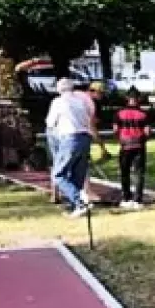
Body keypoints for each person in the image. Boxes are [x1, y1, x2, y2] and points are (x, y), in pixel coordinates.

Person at [45, 78, 94, 218]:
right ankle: (76, 207)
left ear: (59, 89)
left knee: (58, 174)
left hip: (70, 138)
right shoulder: (81, 102)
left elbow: (50, 122)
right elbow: (89, 117)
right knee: (77, 175)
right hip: (85, 137)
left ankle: (80, 202)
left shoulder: (58, 102)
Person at [113, 89, 151, 210]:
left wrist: (120, 139)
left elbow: (115, 129)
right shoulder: (143, 114)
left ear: (127, 98)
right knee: (139, 173)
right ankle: (138, 200)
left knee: (125, 173)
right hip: (139, 146)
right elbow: (147, 131)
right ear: (138, 99)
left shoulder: (119, 113)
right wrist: (143, 140)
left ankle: (126, 198)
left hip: (125, 146)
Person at [75, 81, 109, 203]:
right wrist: (102, 147)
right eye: (101, 93)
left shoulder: (77, 95)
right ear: (94, 91)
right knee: (83, 163)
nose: (102, 96)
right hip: (77, 134)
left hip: (60, 131)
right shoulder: (89, 102)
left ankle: (57, 193)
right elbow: (92, 127)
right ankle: (87, 192)